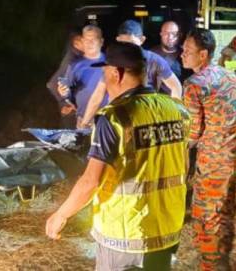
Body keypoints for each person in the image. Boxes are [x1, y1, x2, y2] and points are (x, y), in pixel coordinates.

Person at [46, 41, 189, 271]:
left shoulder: (115, 117)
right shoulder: (178, 111)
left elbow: (90, 181)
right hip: (167, 227)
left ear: (116, 73)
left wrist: (61, 215)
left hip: (124, 233)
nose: (104, 80)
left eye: (105, 73)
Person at [181, 28, 236, 271]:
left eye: (187, 51)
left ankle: (211, 265)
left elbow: (193, 133)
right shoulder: (231, 76)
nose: (182, 55)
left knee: (207, 214)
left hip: (213, 162)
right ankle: (223, 259)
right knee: (226, 210)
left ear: (203, 54)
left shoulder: (193, 85)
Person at [77, 20, 182, 128]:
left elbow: (175, 86)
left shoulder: (155, 61)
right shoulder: (114, 63)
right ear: (118, 40)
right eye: (124, 44)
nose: (128, 49)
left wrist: (175, 114)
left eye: (132, 44)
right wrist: (85, 123)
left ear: (142, 40)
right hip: (119, 117)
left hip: (146, 118)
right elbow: (98, 95)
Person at [57, 25, 107, 128]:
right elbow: (68, 93)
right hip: (84, 121)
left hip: (107, 119)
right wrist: (64, 92)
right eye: (87, 40)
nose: (90, 43)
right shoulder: (74, 66)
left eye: (94, 39)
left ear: (101, 42)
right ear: (83, 42)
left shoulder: (111, 63)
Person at [46, 29, 84, 128]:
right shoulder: (71, 61)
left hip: (74, 105)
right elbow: (52, 84)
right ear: (76, 43)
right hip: (69, 109)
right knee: (70, 136)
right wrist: (65, 102)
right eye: (85, 41)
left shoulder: (79, 56)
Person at [150, 20, 193, 86]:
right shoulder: (151, 54)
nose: (170, 37)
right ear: (161, 34)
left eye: (174, 34)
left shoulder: (185, 55)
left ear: (179, 35)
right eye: (166, 33)